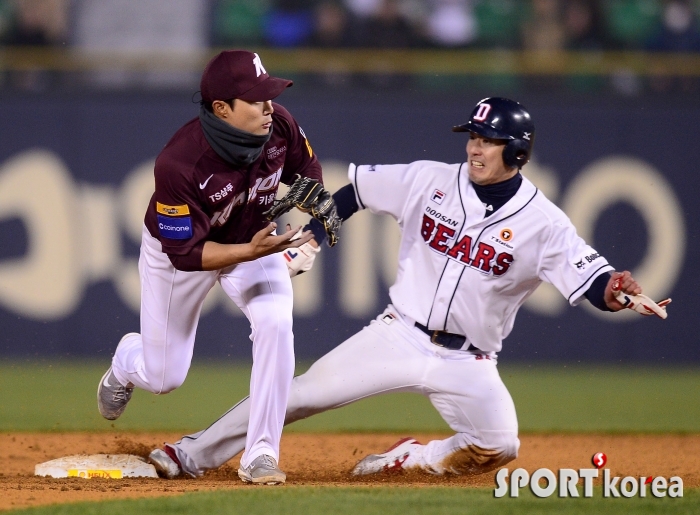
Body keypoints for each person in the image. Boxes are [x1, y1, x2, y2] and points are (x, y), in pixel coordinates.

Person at [146, 97, 670, 480]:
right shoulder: (431, 179)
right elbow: (357, 191)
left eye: (487, 141)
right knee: (298, 393)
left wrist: (618, 290)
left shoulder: (545, 224)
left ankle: (411, 457)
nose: (475, 147)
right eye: (472, 136)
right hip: (400, 334)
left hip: (470, 359)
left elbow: (596, 281)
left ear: (517, 152)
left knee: (499, 445)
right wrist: (311, 238)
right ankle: (191, 453)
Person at [97, 49, 334, 485]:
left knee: (276, 323)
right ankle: (126, 361)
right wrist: (250, 251)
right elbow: (185, 253)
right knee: (164, 375)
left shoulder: (279, 123)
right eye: (256, 99)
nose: (269, 106)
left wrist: (309, 232)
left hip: (255, 241)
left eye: (270, 95)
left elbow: (308, 171)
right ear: (222, 109)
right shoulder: (180, 162)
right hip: (186, 255)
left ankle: (260, 452)